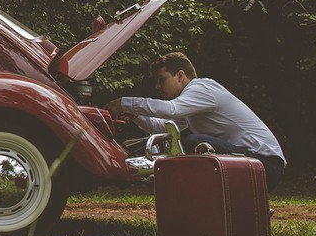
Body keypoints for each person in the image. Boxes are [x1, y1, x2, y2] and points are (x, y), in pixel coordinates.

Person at [106, 52, 287, 192]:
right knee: (194, 143)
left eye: (162, 80)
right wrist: (134, 115)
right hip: (253, 162)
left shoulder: (202, 88)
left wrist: (125, 103)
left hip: (266, 165)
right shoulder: (191, 104)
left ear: (180, 75)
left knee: (194, 142)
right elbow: (163, 127)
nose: (157, 86)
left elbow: (171, 109)